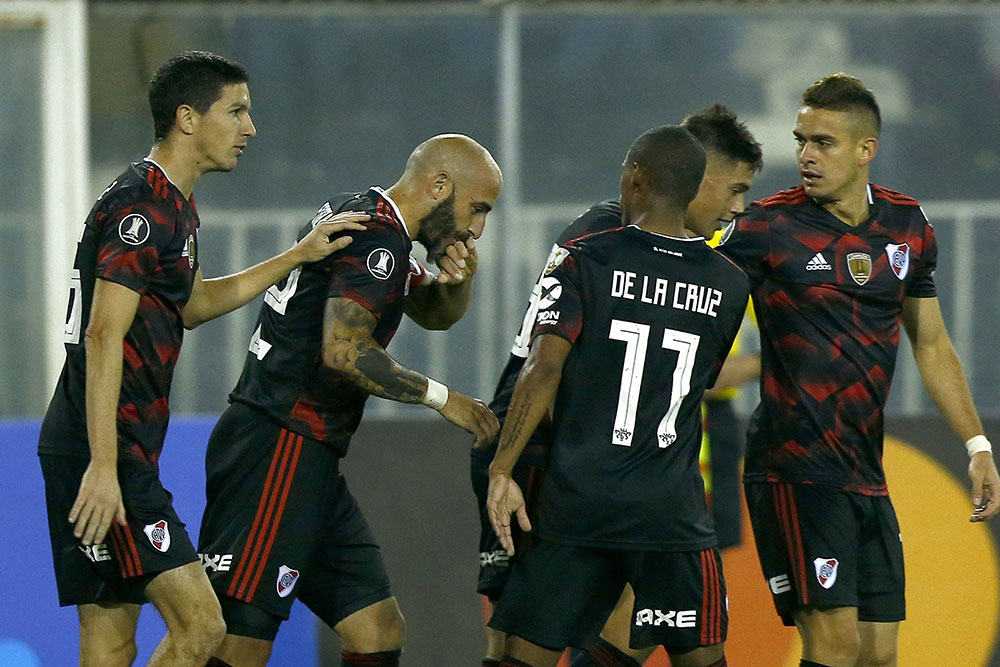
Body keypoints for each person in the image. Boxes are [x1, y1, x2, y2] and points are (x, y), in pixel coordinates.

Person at [36, 51, 368, 667]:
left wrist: (296, 256)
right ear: (188, 119)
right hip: (103, 447)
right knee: (202, 627)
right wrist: (105, 467)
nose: (250, 127)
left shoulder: (174, 204)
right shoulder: (143, 208)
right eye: (237, 111)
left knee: (109, 643)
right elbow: (105, 335)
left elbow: (190, 303)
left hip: (96, 439)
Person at [716, 73, 1000, 667]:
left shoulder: (907, 226)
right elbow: (685, 291)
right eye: (801, 140)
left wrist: (977, 444)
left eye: (824, 142)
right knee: (837, 645)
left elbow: (932, 343)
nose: (806, 156)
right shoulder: (767, 226)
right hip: (793, 466)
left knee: (878, 654)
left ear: (866, 150)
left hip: (864, 470)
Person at [470, 105, 762, 667]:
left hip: (577, 488)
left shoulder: (587, 257)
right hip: (659, 501)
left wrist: (501, 467)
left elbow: (545, 365)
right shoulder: (728, 283)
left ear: (636, 178)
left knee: (523, 644)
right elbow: (694, 379)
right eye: (737, 190)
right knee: (695, 652)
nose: (739, 207)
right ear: (693, 183)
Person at [197, 133, 503, 667]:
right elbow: (344, 352)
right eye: (477, 209)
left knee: (377, 628)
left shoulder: (365, 215)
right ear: (438, 184)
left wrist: (459, 281)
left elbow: (431, 313)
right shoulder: (377, 240)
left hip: (309, 455)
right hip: (278, 445)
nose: (477, 227)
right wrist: (442, 398)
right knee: (240, 640)